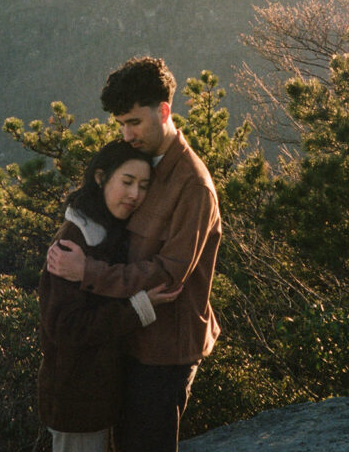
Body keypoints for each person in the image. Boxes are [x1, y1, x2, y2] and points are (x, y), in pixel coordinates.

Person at [46, 56, 222, 452]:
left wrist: (87, 271)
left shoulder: (192, 185)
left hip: (163, 355)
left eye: (134, 122)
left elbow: (169, 275)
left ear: (164, 111)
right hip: (128, 340)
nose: (126, 134)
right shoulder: (145, 166)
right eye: (121, 124)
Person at [37, 139, 181, 452]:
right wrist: (138, 309)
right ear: (101, 178)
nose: (135, 195)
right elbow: (66, 327)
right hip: (76, 403)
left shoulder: (107, 232)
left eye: (144, 186)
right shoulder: (72, 244)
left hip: (101, 398)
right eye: (127, 182)